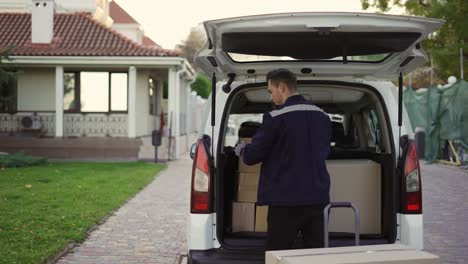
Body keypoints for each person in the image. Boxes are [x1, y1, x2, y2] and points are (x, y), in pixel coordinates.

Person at [234, 68, 332, 250]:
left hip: (285, 201)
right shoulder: (323, 117)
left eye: (271, 91)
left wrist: (241, 149)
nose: (271, 97)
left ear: (282, 87)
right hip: (318, 199)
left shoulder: (275, 117)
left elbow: (252, 156)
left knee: (279, 254)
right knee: (316, 255)